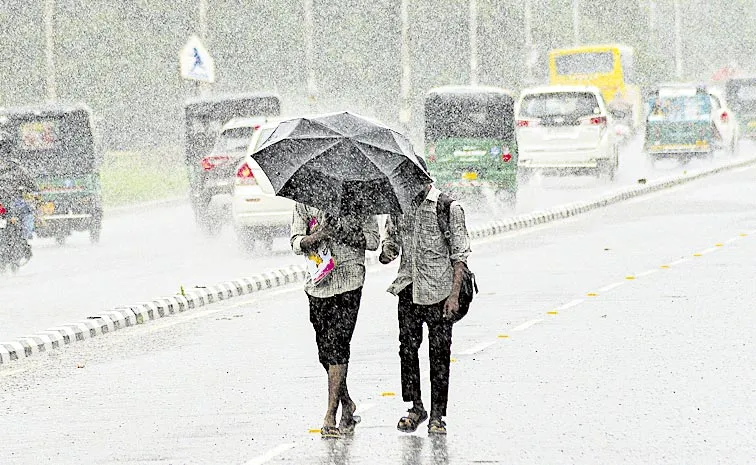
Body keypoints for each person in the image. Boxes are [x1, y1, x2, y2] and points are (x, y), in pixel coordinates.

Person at [379, 157, 471, 435]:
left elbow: (460, 257)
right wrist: (386, 252)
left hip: (440, 292)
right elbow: (391, 246)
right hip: (408, 288)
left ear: (423, 177)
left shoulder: (447, 208)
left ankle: (438, 415)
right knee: (407, 349)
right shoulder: (398, 207)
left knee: (439, 354)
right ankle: (416, 406)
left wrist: (454, 296)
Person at [290, 203, 379, 437]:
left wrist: (343, 232)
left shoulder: (360, 199)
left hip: (350, 281)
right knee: (325, 353)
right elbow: (296, 242)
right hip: (318, 284)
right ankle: (347, 401)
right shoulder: (304, 200)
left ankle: (330, 414)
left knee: (338, 345)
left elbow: (372, 241)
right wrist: (320, 234)